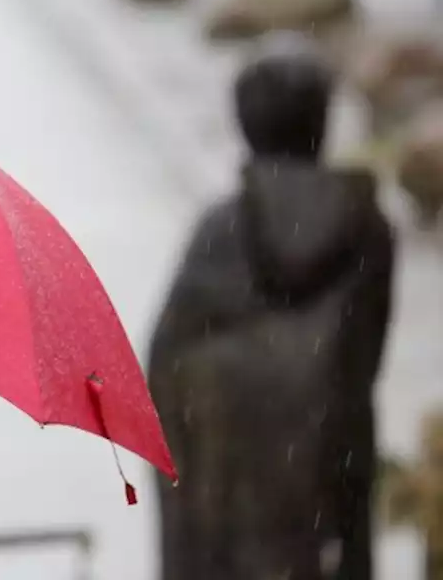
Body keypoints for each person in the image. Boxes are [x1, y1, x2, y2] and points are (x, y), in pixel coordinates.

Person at [147, 34, 394, 580]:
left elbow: (165, 375)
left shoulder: (218, 233)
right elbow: (362, 362)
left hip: (227, 515)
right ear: (323, 120)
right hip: (326, 499)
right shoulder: (368, 231)